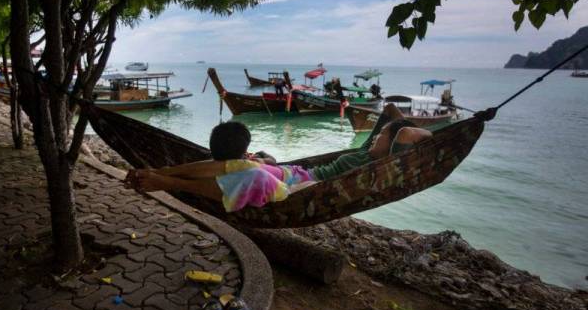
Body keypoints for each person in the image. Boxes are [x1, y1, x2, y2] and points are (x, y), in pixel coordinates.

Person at [126, 104, 432, 212]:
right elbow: (391, 109)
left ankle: (165, 181)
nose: (375, 136)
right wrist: (392, 128)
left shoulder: (380, 164)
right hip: (296, 174)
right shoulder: (367, 152)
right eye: (379, 134)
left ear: (393, 148)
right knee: (248, 165)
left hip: (305, 191)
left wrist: (399, 134)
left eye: (381, 137)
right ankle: (165, 172)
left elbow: (422, 138)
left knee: (253, 174)